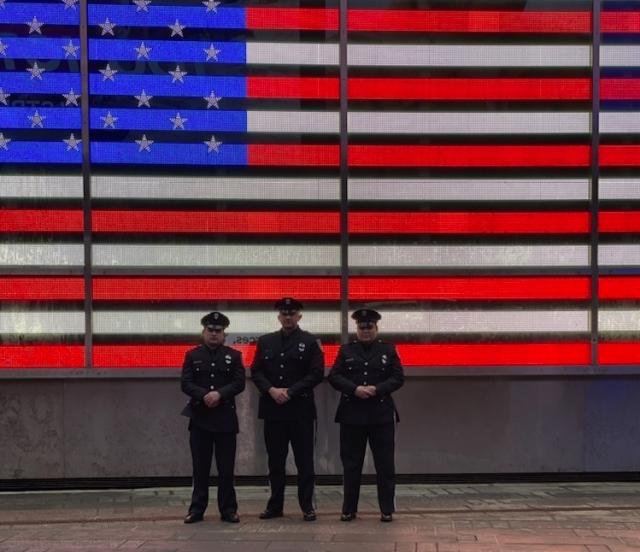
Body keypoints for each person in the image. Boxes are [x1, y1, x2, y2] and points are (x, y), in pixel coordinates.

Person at [251, 297, 325, 521]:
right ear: (278, 317)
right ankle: (275, 506)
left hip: (300, 410)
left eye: (292, 313)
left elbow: (316, 374)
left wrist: (290, 391)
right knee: (275, 462)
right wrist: (271, 390)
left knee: (305, 461)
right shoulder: (266, 341)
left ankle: (307, 506)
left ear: (299, 316)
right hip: (273, 410)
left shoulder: (311, 341)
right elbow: (256, 371)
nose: (288, 317)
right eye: (284, 313)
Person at [327, 309, 404, 522]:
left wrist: (377, 389)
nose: (366, 331)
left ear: (376, 328)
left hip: (381, 415)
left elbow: (398, 378)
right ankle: (349, 509)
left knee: (385, 464)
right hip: (352, 414)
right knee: (351, 464)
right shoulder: (346, 350)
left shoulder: (388, 350)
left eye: (369, 327)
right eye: (362, 327)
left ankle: (386, 509)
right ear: (357, 329)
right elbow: (334, 376)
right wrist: (354, 389)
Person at [180, 311, 246, 524]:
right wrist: (203, 395)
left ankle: (228, 509)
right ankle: (197, 509)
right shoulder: (192, 355)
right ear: (203, 332)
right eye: (210, 330)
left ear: (224, 334)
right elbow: (186, 383)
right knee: (200, 468)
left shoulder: (234, 356)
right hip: (200, 419)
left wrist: (219, 394)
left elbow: (239, 383)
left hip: (225, 419)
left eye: (218, 331)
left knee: (226, 469)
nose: (214, 334)